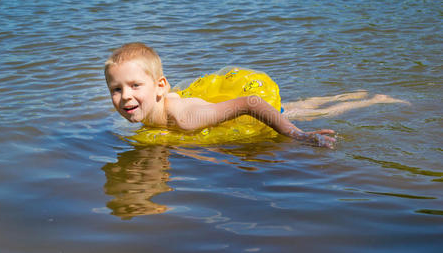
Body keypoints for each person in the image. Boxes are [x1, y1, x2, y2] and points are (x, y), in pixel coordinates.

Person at [104, 42, 406, 149]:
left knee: (301, 115)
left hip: (249, 106)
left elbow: (250, 104)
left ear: (160, 87)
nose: (125, 96)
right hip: (221, 106)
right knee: (297, 106)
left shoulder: (184, 118)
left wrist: (298, 136)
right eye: (116, 89)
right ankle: (359, 95)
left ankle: (372, 101)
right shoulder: (153, 113)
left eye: (134, 86)